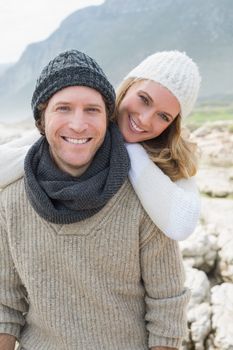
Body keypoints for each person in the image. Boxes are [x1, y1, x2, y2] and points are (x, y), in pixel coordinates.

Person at [0, 50, 189, 350]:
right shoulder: (10, 199)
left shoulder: (145, 198)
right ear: (41, 118)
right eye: (63, 108)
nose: (78, 124)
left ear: (107, 117)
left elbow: (167, 307)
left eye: (92, 110)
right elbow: (4, 306)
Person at [0, 50, 201, 241]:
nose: (145, 120)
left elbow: (181, 224)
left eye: (163, 116)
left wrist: (130, 151)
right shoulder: (84, 121)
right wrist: (50, 149)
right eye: (144, 99)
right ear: (126, 86)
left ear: (172, 124)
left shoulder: (172, 160)